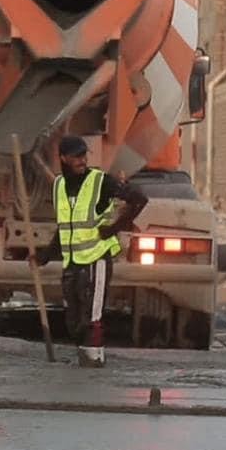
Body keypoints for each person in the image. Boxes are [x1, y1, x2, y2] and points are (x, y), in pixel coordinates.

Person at [33, 135, 148, 368]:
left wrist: (114, 228)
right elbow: (66, 227)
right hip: (73, 261)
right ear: (63, 158)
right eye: (76, 156)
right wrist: (44, 256)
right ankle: (82, 362)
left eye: (84, 155)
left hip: (97, 260)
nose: (82, 159)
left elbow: (139, 199)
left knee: (91, 317)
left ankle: (94, 364)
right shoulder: (59, 186)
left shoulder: (100, 181)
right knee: (73, 320)